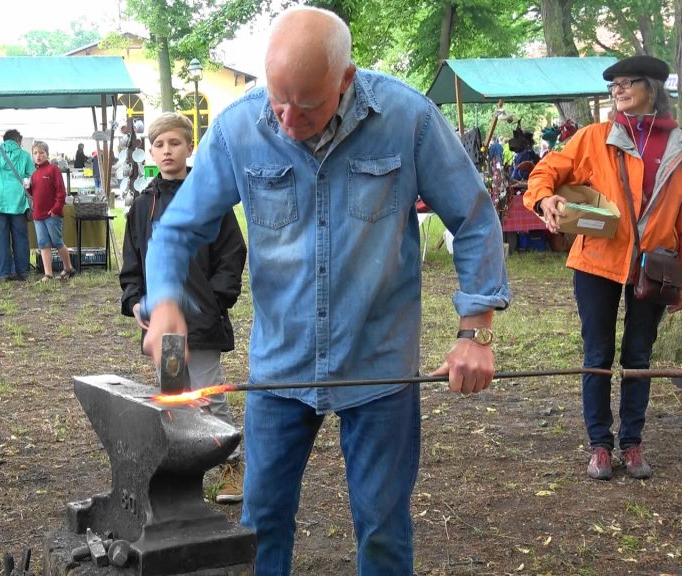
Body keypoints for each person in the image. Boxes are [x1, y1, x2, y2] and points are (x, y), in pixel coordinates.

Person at [139, 7, 510, 575]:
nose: (287, 120)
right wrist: (166, 303)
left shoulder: (407, 119)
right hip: (280, 369)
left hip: (378, 366)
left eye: (307, 105)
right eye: (277, 100)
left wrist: (475, 330)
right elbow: (178, 229)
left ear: (346, 78)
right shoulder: (239, 129)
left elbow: (476, 219)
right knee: (260, 523)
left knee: (383, 527)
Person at [525, 55, 682, 481]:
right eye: (614, 86)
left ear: (653, 88)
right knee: (598, 353)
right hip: (597, 261)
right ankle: (599, 444)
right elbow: (547, 171)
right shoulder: (596, 137)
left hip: (655, 267)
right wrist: (544, 199)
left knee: (639, 354)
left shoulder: (677, 145)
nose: (619, 90)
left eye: (628, 83)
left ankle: (632, 444)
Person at [120, 112, 248, 504]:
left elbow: (232, 254)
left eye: (174, 143)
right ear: (150, 152)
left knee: (208, 394)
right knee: (172, 394)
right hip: (163, 325)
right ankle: (178, 467)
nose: (167, 151)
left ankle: (232, 465)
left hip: (203, 322)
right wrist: (135, 301)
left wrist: (214, 300)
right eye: (159, 144)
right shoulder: (143, 206)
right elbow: (133, 263)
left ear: (190, 147)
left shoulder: (209, 200)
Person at [0, 129, 34, 280]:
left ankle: (3, 273)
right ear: (18, 141)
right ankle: (23, 271)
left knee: (0, 238)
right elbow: (31, 179)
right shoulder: (24, 155)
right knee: (20, 237)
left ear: (4, 140)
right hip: (18, 201)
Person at [29, 140, 76, 281]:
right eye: (35, 153)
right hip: (38, 215)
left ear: (47, 154)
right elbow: (34, 192)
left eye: (41, 153)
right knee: (43, 243)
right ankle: (48, 273)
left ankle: (68, 267)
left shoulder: (53, 170)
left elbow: (61, 192)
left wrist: (56, 209)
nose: (38, 156)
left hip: (52, 214)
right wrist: (28, 187)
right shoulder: (34, 174)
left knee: (57, 241)